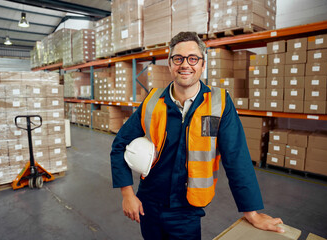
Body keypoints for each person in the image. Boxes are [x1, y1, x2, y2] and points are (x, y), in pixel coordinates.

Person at [110, 31, 284, 240]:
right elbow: (119, 144)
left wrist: (252, 212)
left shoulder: (219, 103)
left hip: (188, 209)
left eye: (193, 59)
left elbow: (236, 158)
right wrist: (127, 194)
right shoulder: (152, 101)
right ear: (170, 64)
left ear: (202, 64)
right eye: (178, 59)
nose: (185, 64)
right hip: (148, 204)